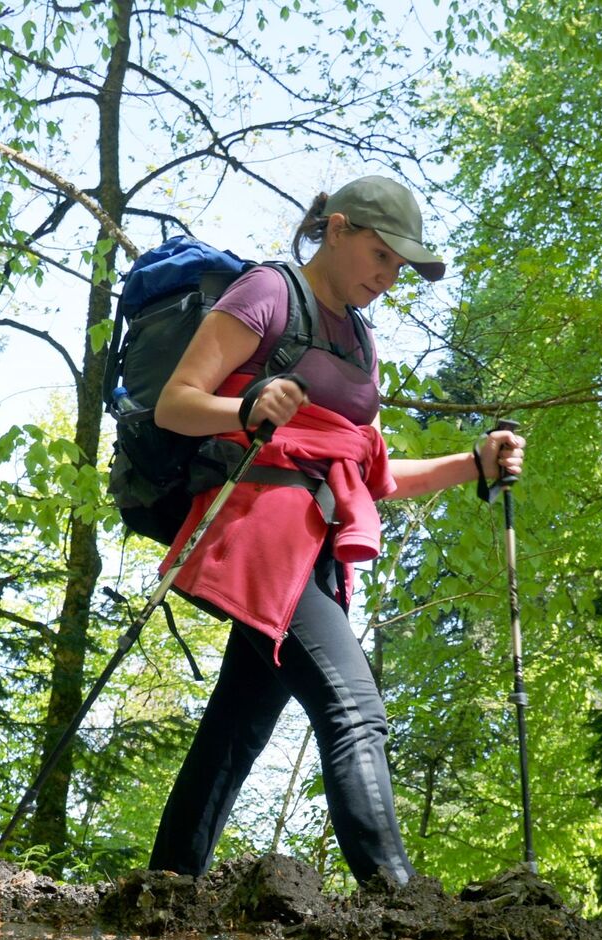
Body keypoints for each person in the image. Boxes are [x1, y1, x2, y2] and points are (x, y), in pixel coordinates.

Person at [148, 175, 523, 889]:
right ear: (339, 227)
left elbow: (374, 475)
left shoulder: (361, 345)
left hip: (318, 553)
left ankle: (165, 891)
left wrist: (472, 462)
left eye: (399, 267)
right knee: (355, 709)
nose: (388, 277)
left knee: (235, 732)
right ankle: (400, 895)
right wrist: (248, 405)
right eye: (381, 256)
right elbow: (175, 404)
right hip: (259, 539)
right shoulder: (268, 293)